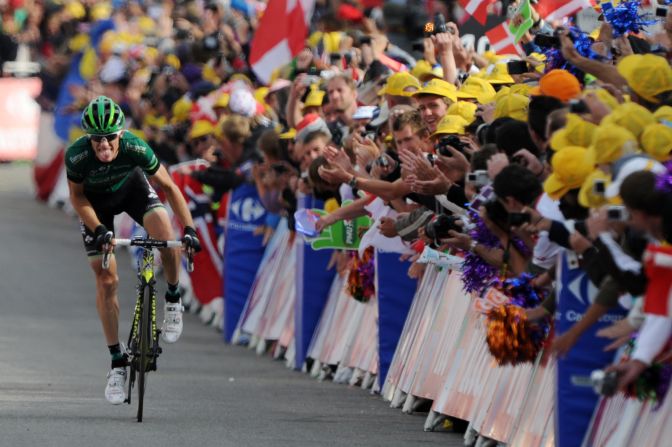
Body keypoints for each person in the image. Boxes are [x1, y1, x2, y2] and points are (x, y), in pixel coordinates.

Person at [65, 96, 201, 405]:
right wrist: (99, 229)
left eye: (109, 138)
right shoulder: (76, 156)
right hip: (96, 206)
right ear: (88, 138)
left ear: (121, 134)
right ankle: (117, 362)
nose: (103, 146)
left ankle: (173, 297)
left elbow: (170, 187)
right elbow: (77, 198)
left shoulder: (135, 147)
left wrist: (189, 229)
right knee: (106, 279)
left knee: (165, 230)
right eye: (96, 139)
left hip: (132, 191)